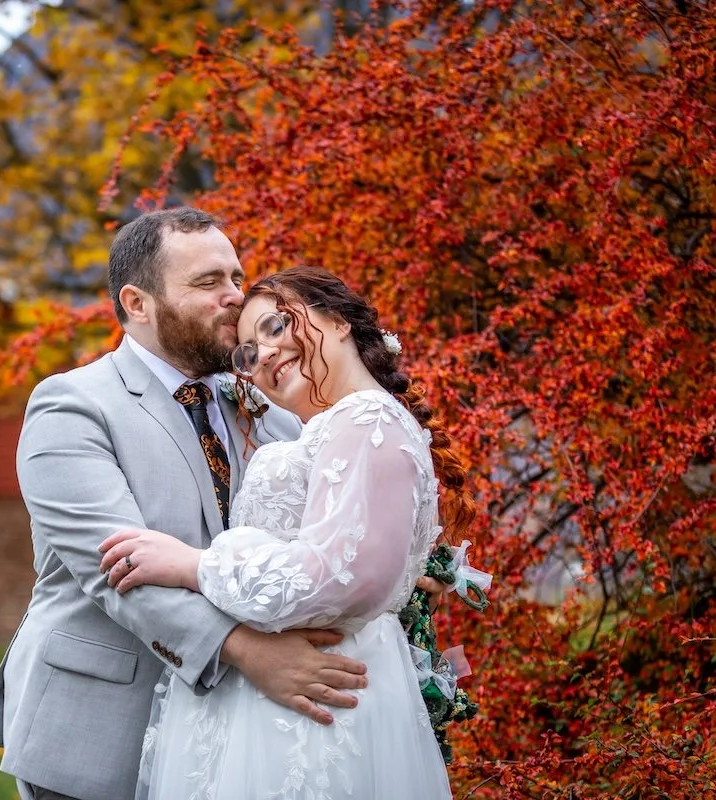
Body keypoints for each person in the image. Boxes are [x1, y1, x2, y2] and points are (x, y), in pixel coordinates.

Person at [0, 209, 388, 800]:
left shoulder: (269, 403)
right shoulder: (72, 407)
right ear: (138, 302)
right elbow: (117, 569)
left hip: (236, 737)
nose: (236, 297)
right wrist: (248, 652)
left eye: (236, 276)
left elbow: (334, 525)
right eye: (208, 283)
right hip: (99, 728)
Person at [98, 266, 475, 798]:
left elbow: (338, 576)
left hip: (320, 702)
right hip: (284, 695)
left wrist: (194, 565)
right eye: (247, 351)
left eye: (275, 327)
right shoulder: (326, 425)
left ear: (340, 321)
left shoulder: (367, 419)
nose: (264, 354)